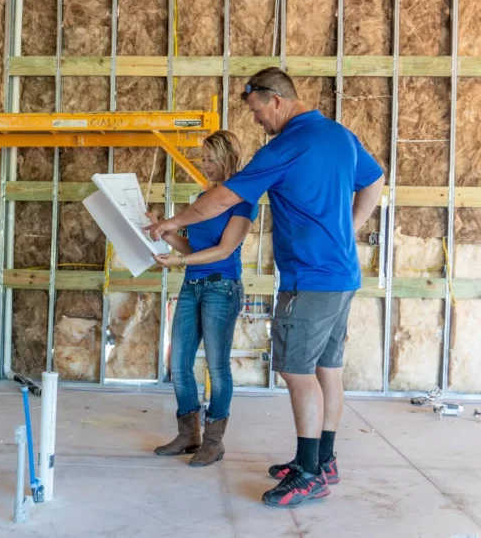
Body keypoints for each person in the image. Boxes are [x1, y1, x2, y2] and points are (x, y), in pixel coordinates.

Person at [148, 68, 384, 507]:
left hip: (309, 279)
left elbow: (222, 198)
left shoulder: (286, 145)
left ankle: (309, 472)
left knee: (297, 371)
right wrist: (348, 232)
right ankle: (322, 460)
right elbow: (374, 180)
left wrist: (172, 222)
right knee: (326, 370)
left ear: (275, 99)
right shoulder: (338, 135)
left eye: (256, 110)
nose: (256, 120)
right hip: (341, 275)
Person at [148, 130, 256, 467]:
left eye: (210, 158)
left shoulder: (243, 199)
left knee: (217, 366)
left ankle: (213, 441)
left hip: (221, 287)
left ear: (227, 157)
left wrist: (179, 261)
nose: (204, 164)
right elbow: (193, 248)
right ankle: (188, 434)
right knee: (178, 363)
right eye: (203, 158)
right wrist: (165, 234)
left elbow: (224, 249)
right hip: (192, 285)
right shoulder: (201, 198)